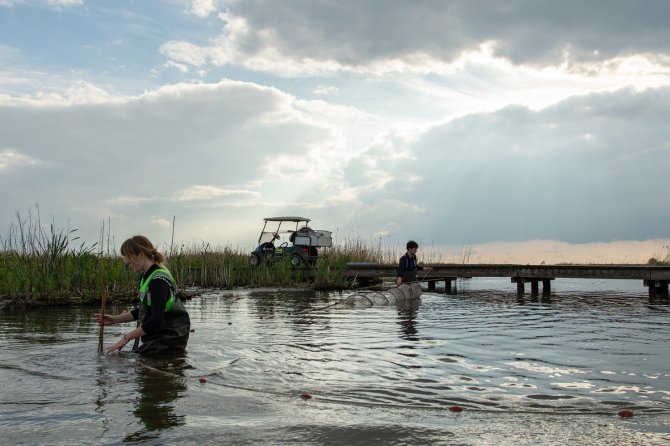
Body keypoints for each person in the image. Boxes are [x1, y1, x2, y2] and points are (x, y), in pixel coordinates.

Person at [95, 235, 190, 355]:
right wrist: (114, 320)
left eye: (127, 256)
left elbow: (156, 321)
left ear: (140, 254)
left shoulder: (158, 280)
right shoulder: (146, 277)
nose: (126, 261)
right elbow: (145, 311)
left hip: (168, 340)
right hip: (159, 339)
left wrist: (126, 338)